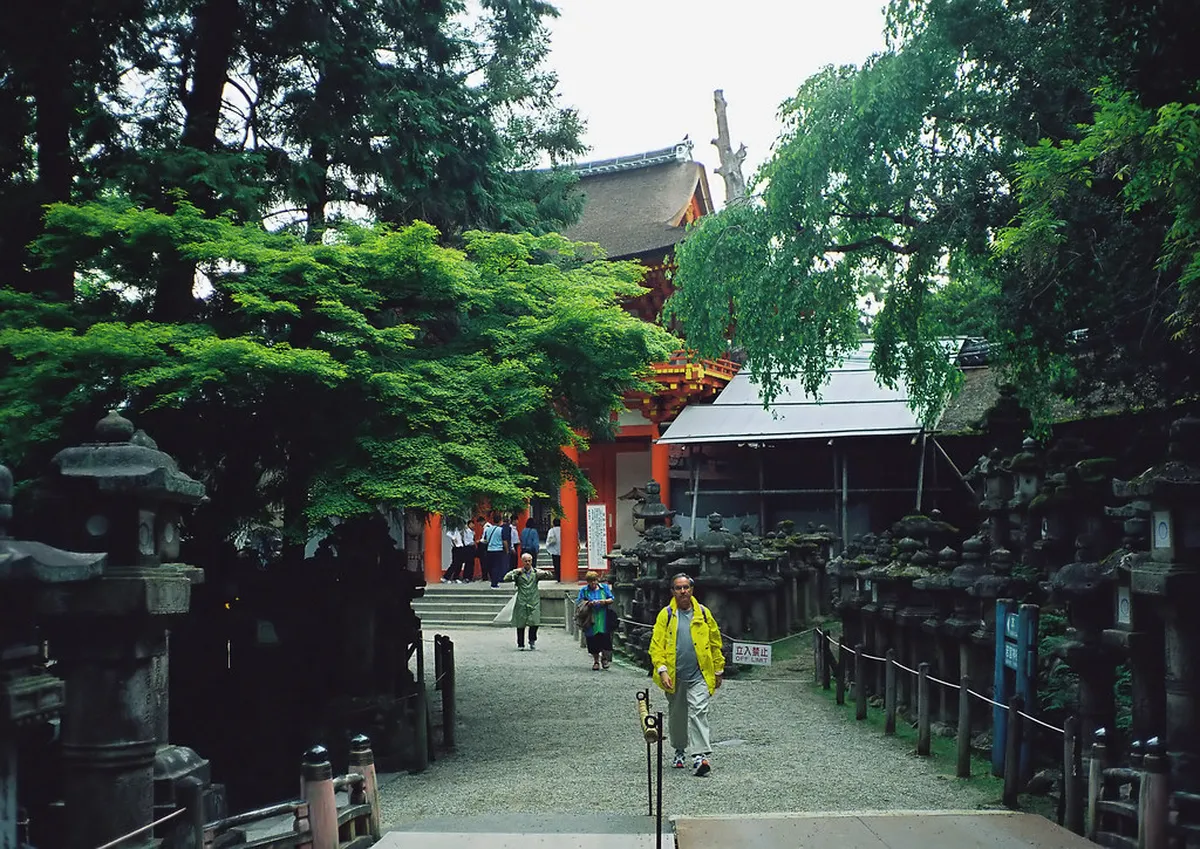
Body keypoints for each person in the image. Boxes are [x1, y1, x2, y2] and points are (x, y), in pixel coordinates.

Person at [649, 572, 724, 777]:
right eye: (678, 588)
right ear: (672, 591)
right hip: (675, 674)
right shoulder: (666, 615)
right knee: (677, 715)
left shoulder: (703, 613)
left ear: (692, 590)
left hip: (699, 673)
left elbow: (715, 642)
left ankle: (700, 756)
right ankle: (679, 749)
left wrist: (718, 669)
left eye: (686, 587)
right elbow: (657, 645)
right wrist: (662, 670)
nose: (683, 591)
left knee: (699, 711)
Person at [504, 552, 552, 649]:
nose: (527, 563)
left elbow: (550, 575)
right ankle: (520, 643)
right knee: (520, 623)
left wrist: (545, 573)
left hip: (533, 599)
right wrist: (515, 573)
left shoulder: (535, 572)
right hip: (522, 600)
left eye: (529, 561)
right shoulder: (518, 572)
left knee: (535, 622)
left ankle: (532, 639)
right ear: (522, 562)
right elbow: (506, 578)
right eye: (525, 561)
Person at [576, 570, 615, 670]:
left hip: (603, 616)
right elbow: (579, 602)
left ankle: (605, 659)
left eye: (594, 581)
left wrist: (604, 601)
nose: (593, 583)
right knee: (593, 640)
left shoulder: (604, 588)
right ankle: (596, 661)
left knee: (605, 639)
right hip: (590, 617)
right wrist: (588, 603)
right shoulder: (584, 590)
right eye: (590, 581)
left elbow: (611, 598)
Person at [482, 512, 507, 588]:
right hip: (498, 550)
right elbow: (504, 541)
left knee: (491, 566)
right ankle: (494, 583)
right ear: (500, 521)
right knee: (497, 567)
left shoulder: (488, 529)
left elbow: (485, 540)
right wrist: (506, 550)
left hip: (489, 550)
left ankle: (493, 580)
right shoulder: (501, 530)